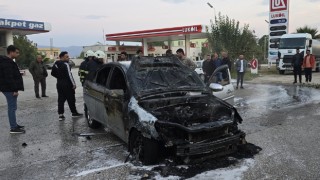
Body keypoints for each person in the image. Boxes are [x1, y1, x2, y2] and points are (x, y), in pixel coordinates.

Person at [0, 45, 25, 133]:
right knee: (12, 108)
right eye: (16, 52)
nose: (18, 54)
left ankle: (14, 124)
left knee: (12, 107)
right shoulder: (7, 62)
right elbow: (9, 77)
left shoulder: (7, 61)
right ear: (11, 52)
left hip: (8, 88)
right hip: (9, 89)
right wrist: (15, 89)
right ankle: (13, 128)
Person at [51, 51, 82, 120]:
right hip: (67, 84)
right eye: (67, 57)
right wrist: (73, 84)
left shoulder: (56, 63)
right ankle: (74, 113)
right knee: (71, 98)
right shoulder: (66, 64)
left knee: (61, 99)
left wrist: (59, 77)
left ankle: (61, 115)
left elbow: (52, 73)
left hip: (59, 84)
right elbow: (69, 75)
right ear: (62, 57)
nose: (68, 58)